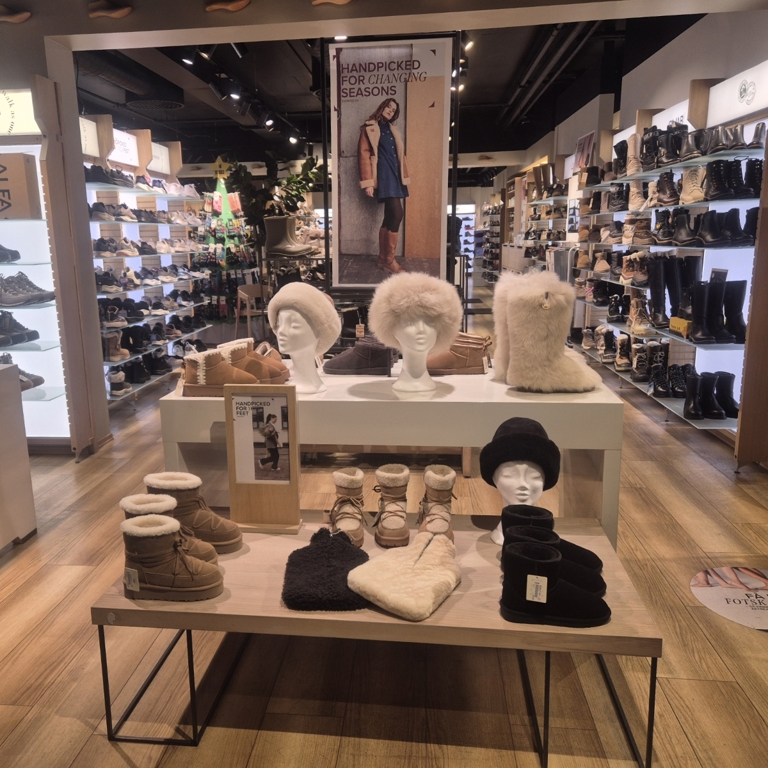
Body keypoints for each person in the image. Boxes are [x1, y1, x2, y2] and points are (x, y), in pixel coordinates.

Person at [358, 97, 410, 275]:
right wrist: (368, 183)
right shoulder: (370, 128)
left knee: (389, 215)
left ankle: (382, 259)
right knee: (398, 213)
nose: (390, 111)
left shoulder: (392, 129)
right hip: (383, 175)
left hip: (395, 174)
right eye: (388, 107)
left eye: (394, 110)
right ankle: (390, 261)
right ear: (382, 107)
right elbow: (364, 156)